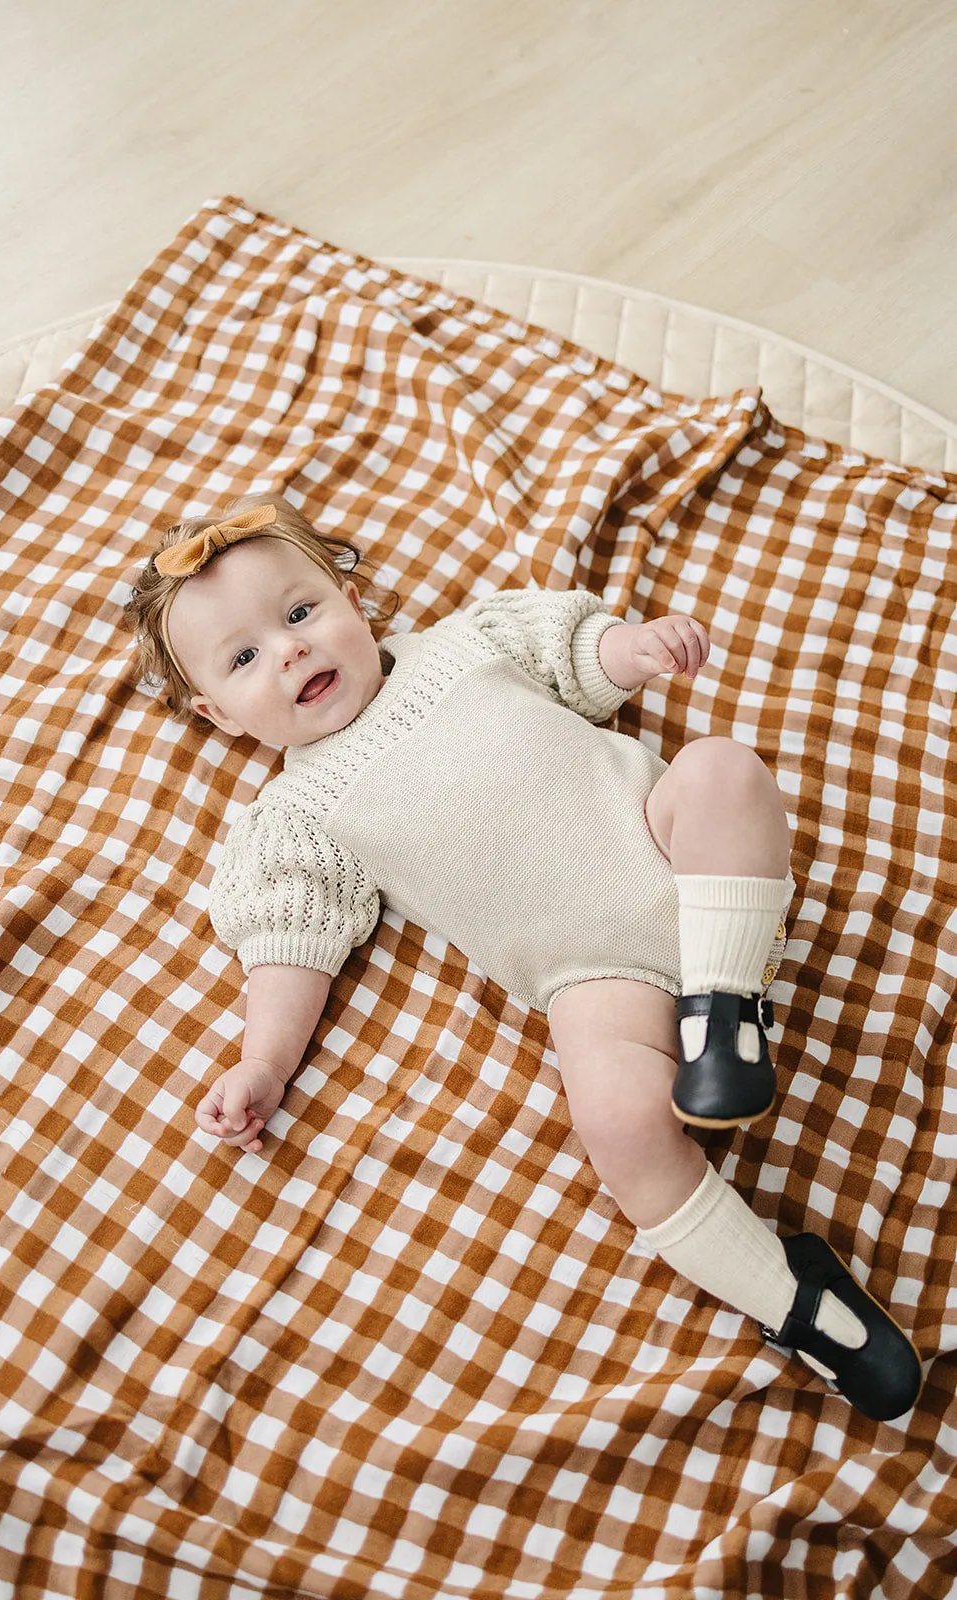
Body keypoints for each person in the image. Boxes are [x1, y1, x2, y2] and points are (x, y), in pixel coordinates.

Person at [124, 492, 922, 1422]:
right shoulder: (302, 814)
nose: (291, 649)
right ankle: (792, 1298)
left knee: (720, 769)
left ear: (352, 598)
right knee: (618, 1127)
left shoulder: (464, 645)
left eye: (300, 613)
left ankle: (725, 1006)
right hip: (592, 978)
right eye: (246, 658)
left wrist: (636, 646)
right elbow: (292, 943)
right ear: (217, 715)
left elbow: (576, 655)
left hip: (675, 849)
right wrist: (264, 1062)